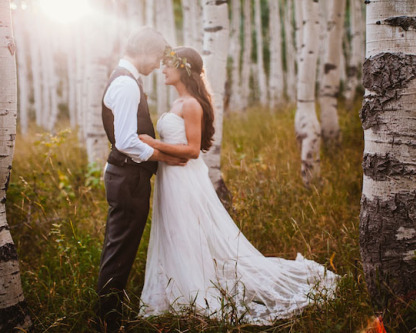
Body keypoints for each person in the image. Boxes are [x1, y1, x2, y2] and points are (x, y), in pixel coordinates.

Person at [137, 46, 339, 325]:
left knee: (185, 231)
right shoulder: (177, 103)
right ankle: (176, 290)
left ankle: (194, 291)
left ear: (182, 69)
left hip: (185, 180)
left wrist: (153, 144)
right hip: (171, 176)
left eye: (168, 65)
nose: (163, 70)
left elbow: (194, 150)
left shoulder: (192, 105)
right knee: (174, 230)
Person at [96, 27, 186, 332]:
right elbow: (126, 141)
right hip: (127, 178)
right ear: (145, 52)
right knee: (119, 251)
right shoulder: (126, 84)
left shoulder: (127, 79)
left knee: (120, 248)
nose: (156, 65)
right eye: (157, 58)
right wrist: (165, 157)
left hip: (128, 176)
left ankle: (109, 315)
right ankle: (108, 320)